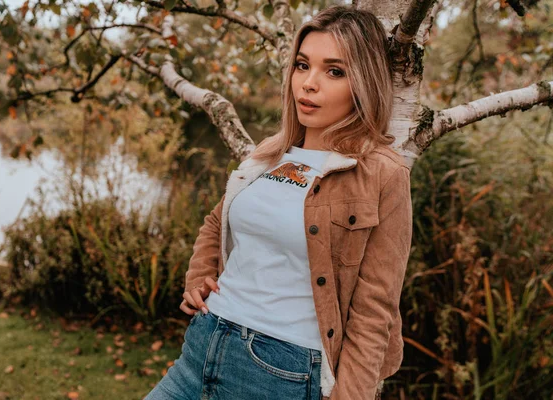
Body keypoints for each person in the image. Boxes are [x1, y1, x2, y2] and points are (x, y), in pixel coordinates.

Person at [144, 5, 413, 400]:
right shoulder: (272, 152)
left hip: (279, 372)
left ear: (364, 83)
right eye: (303, 66)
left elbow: (375, 310)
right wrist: (199, 276)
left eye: (334, 71)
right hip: (202, 346)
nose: (308, 83)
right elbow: (217, 222)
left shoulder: (382, 174)